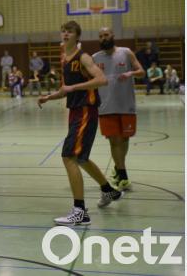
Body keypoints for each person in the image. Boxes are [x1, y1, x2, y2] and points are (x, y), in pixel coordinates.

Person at [38, 21, 122, 225]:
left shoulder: (82, 57)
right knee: (81, 158)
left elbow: (102, 80)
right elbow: (66, 89)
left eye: (70, 31)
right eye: (63, 30)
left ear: (77, 36)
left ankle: (80, 211)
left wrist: (74, 88)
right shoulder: (64, 59)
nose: (65, 33)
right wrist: (49, 97)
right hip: (76, 111)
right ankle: (108, 190)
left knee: (69, 156)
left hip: (86, 110)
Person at [92, 27, 144, 192]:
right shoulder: (95, 58)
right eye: (100, 36)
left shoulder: (126, 52)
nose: (103, 38)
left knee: (124, 140)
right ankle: (123, 176)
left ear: (113, 35)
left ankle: (117, 167)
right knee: (114, 141)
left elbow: (141, 71)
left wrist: (130, 74)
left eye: (106, 35)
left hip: (126, 105)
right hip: (106, 107)